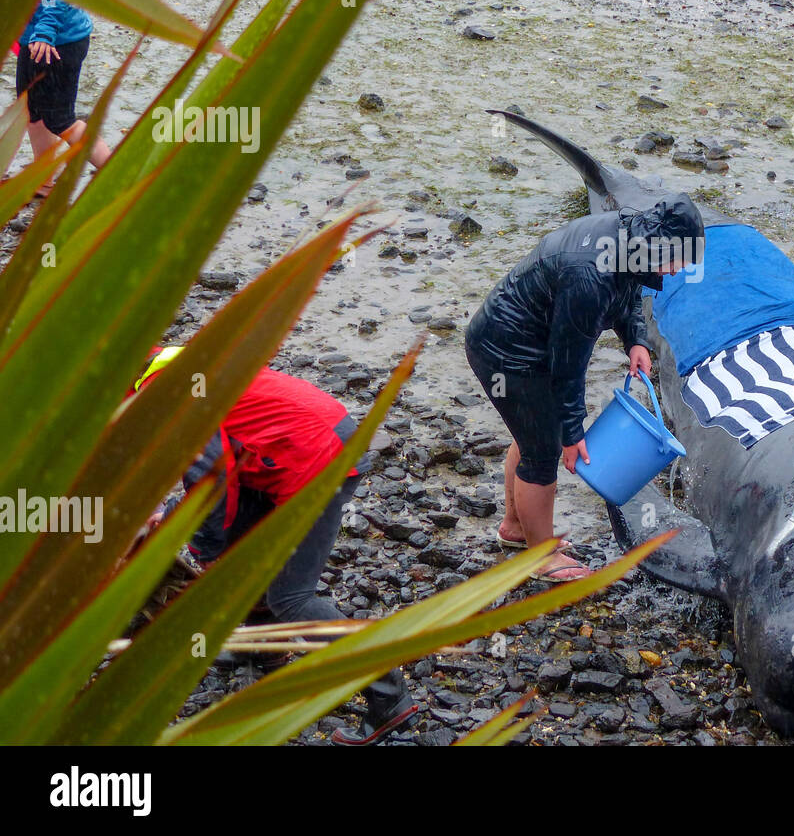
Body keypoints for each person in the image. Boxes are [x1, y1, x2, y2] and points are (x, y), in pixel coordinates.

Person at [134, 347, 417, 746]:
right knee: (244, 544)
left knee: (293, 597)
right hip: (294, 447)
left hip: (316, 460)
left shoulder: (168, 391)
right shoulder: (178, 362)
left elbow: (212, 478)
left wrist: (205, 552)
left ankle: (390, 697)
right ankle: (264, 649)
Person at [465, 194, 706, 582]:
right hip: (505, 350)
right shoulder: (589, 276)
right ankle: (540, 557)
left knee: (532, 433)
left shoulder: (629, 242)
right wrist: (573, 432)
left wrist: (636, 341)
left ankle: (515, 528)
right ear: (658, 245)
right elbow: (568, 363)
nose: (679, 270)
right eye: (677, 260)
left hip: (529, 341)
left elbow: (627, 293)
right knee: (543, 449)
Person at [14, 0, 110, 198]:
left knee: (61, 120)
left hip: (56, 43)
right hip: (32, 38)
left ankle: (120, 174)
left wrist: (45, 32)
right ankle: (43, 181)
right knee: (31, 111)